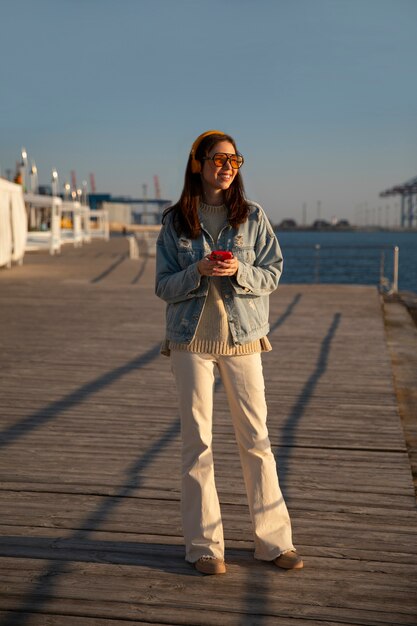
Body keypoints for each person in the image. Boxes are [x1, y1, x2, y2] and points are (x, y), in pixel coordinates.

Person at [155, 130, 303, 575]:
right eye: (218, 159)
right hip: (190, 341)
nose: (227, 166)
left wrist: (240, 270)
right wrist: (197, 270)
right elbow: (163, 285)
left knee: (256, 439)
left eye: (234, 160)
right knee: (197, 443)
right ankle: (204, 547)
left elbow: (273, 273)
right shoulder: (176, 222)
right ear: (198, 163)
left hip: (243, 339)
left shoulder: (252, 217)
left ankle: (274, 543)